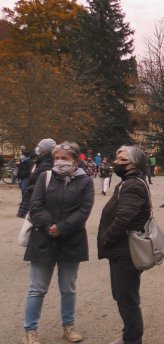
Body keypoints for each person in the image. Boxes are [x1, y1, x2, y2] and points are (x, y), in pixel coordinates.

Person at [21, 141, 94, 344]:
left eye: (64, 158)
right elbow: (35, 205)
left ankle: (68, 327)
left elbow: (84, 211)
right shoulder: (45, 176)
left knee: (68, 288)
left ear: (75, 160)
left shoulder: (85, 181)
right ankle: (30, 330)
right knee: (37, 288)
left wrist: (61, 228)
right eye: (56, 158)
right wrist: (49, 226)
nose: (60, 162)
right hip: (43, 238)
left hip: (71, 240)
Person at [98, 146, 151, 344]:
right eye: (117, 158)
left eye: (123, 160)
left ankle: (132, 340)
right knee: (122, 296)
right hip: (121, 248)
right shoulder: (128, 182)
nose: (117, 163)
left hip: (126, 249)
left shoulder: (132, 185)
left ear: (134, 164)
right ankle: (129, 335)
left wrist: (106, 238)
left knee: (127, 300)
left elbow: (124, 218)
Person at [17, 138, 56, 219]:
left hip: (39, 204)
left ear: (43, 150)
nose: (37, 148)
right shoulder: (41, 162)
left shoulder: (46, 164)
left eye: (39, 147)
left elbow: (40, 185)